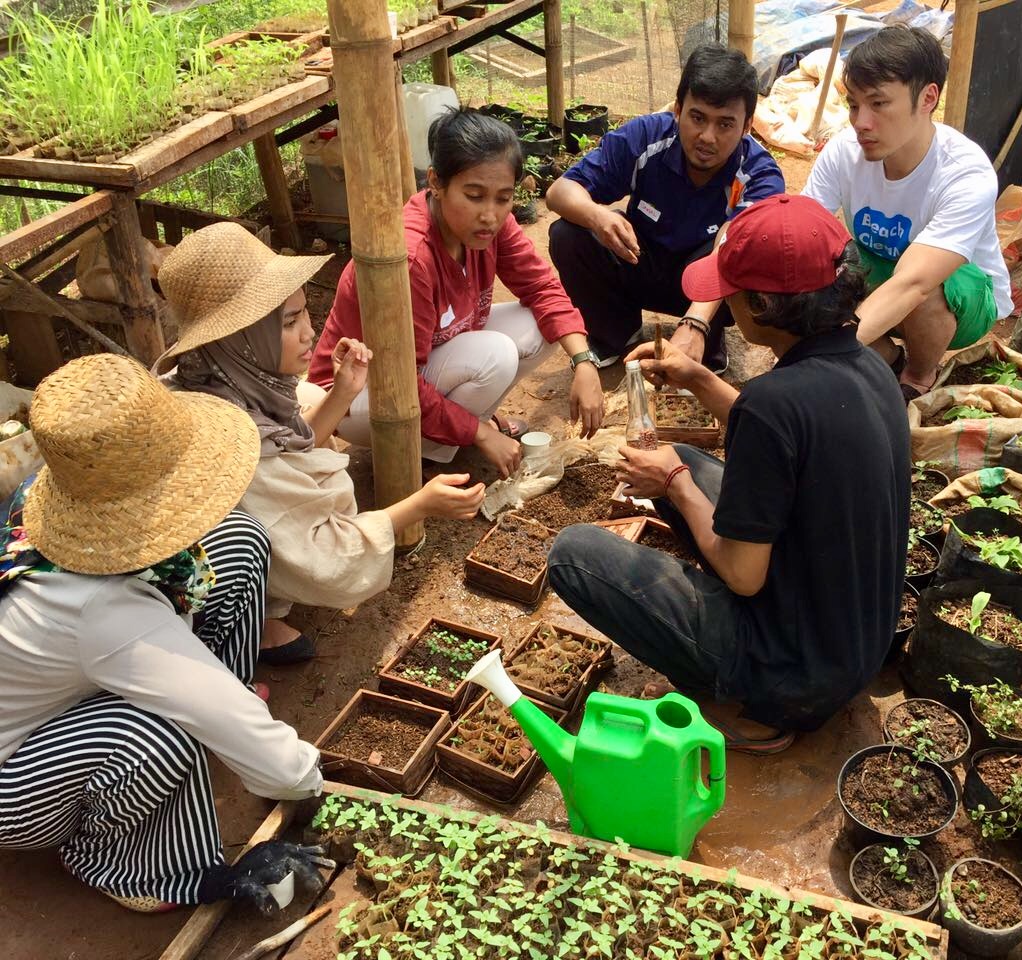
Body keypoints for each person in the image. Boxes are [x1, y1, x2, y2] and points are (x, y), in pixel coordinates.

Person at [547, 195, 909, 752]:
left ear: (760, 305)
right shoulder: (868, 366)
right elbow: (783, 435)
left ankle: (745, 698)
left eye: (731, 289)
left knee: (572, 554)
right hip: (857, 638)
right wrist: (697, 377)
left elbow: (744, 576)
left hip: (795, 675)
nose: (723, 299)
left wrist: (674, 485)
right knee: (688, 457)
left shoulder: (773, 403)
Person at [0, 354, 327, 913]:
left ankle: (216, 697)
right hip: (17, 776)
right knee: (161, 730)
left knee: (240, 540)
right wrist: (307, 778)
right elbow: (287, 772)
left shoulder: (52, 500)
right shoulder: (100, 606)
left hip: (74, 675)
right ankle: (128, 864)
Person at [156, 222, 485, 664]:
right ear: (242, 339)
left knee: (308, 395)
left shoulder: (215, 373)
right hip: (191, 572)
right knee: (265, 533)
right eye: (289, 322)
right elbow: (330, 563)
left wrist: (344, 391)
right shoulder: (231, 448)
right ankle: (249, 613)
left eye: (304, 312)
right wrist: (421, 505)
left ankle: (266, 598)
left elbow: (292, 435)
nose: (310, 333)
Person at [309, 108, 604, 480]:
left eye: (503, 198)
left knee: (542, 327)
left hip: (427, 358)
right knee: (494, 355)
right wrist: (479, 432)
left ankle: (449, 438)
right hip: (358, 396)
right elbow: (404, 380)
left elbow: (543, 288)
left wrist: (584, 362)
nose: (490, 215)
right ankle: (436, 448)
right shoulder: (411, 257)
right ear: (435, 181)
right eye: (474, 195)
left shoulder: (494, 226)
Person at [801, 25, 1013, 400]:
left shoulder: (965, 171)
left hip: (959, 296)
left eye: (878, 103)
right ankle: (887, 358)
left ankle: (918, 375)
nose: (860, 122)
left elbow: (914, 282)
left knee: (923, 288)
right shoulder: (844, 151)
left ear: (928, 98)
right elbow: (802, 230)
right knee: (813, 265)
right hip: (882, 274)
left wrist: (814, 361)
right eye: (853, 104)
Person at [546, 44, 785, 372]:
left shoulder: (759, 174)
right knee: (568, 233)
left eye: (725, 124)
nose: (707, 137)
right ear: (677, 109)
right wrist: (597, 215)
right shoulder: (646, 138)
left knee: (747, 252)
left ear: (746, 126)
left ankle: (705, 343)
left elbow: (732, 246)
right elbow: (560, 191)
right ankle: (614, 333)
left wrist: (696, 324)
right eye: (697, 117)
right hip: (639, 262)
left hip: (708, 290)